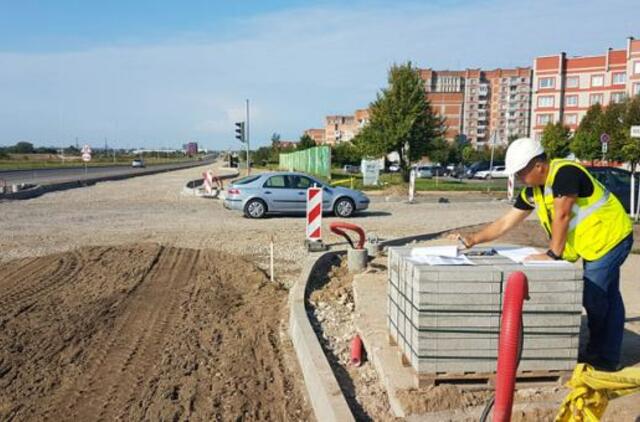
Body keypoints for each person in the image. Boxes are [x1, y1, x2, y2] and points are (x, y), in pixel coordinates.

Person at [453, 137, 633, 371]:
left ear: (539, 165)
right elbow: (507, 221)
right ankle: (607, 352)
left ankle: (603, 357)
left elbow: (562, 215)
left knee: (595, 296)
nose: (518, 179)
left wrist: (553, 254)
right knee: (608, 297)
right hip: (594, 243)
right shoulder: (535, 190)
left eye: (521, 173)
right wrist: (473, 239)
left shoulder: (565, 174)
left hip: (611, 237)